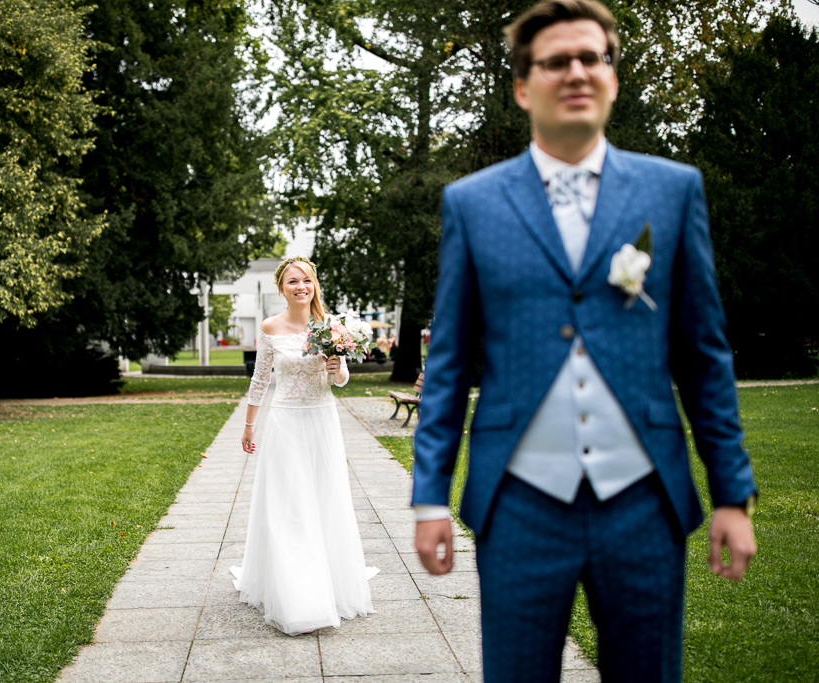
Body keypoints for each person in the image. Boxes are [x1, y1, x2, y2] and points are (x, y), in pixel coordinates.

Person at [411, 2, 758, 681]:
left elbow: (704, 355)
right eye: (556, 60)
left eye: (592, 57)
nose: (576, 71)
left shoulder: (673, 190)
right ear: (522, 86)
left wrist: (730, 493)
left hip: (643, 499)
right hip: (518, 502)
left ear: (612, 78)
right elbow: (449, 364)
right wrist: (430, 497)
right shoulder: (472, 203)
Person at [231, 256, 378, 635]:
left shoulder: (330, 326)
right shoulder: (270, 326)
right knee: (289, 504)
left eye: (307, 281)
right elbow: (260, 379)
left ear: (314, 285)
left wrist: (337, 367)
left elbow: (341, 378)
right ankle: (296, 593)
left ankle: (326, 577)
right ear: (281, 287)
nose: (301, 287)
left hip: (321, 420)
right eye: (293, 281)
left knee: (324, 498)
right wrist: (249, 426)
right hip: (285, 421)